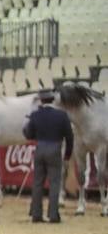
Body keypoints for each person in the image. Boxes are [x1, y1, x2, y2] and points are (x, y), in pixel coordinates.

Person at [24, 89, 74, 224]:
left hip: (40, 148)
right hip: (55, 149)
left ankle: (36, 214)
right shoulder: (62, 115)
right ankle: (53, 215)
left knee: (38, 183)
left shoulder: (35, 115)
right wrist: (68, 154)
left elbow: (28, 134)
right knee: (54, 183)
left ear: (41, 100)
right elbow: (69, 136)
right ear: (53, 100)